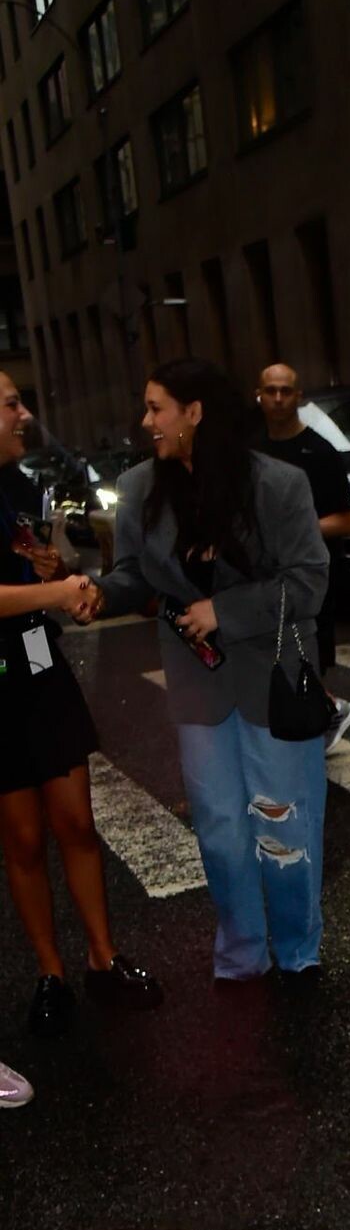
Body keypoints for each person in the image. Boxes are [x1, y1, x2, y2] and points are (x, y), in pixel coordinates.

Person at [87, 358, 330, 984]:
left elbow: (309, 581)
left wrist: (225, 610)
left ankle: (297, 950)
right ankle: (242, 953)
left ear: (194, 413)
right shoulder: (141, 487)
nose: (147, 421)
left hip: (274, 679)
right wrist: (96, 595)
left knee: (285, 821)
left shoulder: (277, 484)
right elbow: (134, 574)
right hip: (197, 683)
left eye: (156, 408)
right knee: (220, 829)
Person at [0, 371, 162, 1036]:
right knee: (21, 836)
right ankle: (50, 973)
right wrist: (60, 592)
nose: (25, 415)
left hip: (38, 656)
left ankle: (102, 956)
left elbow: (43, 565)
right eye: (11, 404)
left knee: (75, 819)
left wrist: (61, 575)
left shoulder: (20, 484)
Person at [256, 362, 350, 751]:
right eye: (270, 391)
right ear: (259, 395)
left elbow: (347, 520)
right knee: (277, 655)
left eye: (286, 391)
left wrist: (298, 530)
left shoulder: (320, 452)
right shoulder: (252, 449)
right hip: (265, 576)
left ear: (299, 397)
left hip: (312, 576)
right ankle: (321, 714)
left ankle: (324, 714)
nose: (278, 399)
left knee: (306, 656)